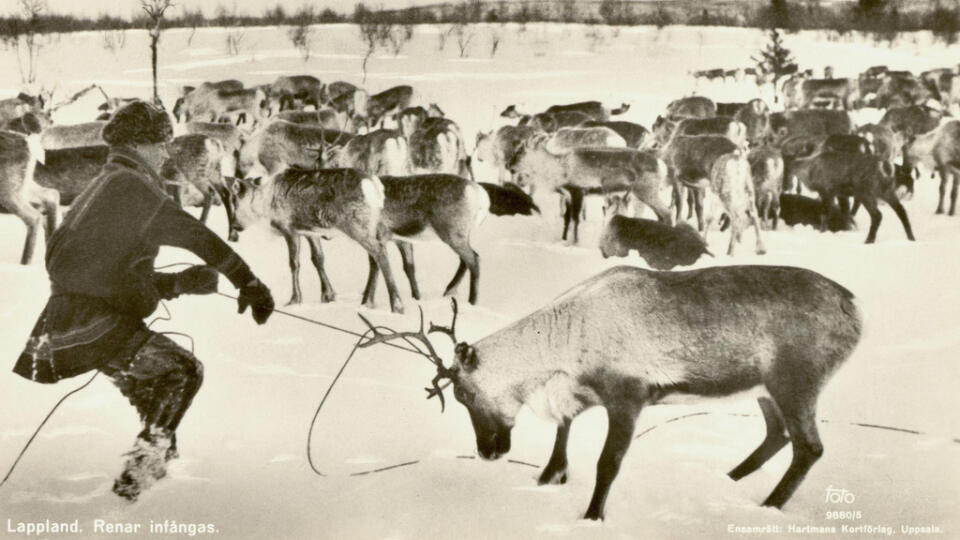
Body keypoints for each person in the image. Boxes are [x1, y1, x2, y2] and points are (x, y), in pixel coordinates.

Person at [12, 100, 275, 501]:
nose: (167, 151)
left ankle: (155, 468)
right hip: (88, 321)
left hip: (71, 322)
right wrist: (248, 282)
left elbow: (104, 269)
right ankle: (138, 481)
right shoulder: (131, 188)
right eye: (161, 142)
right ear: (140, 145)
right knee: (183, 372)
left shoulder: (108, 182)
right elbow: (196, 235)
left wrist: (179, 283)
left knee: (159, 385)